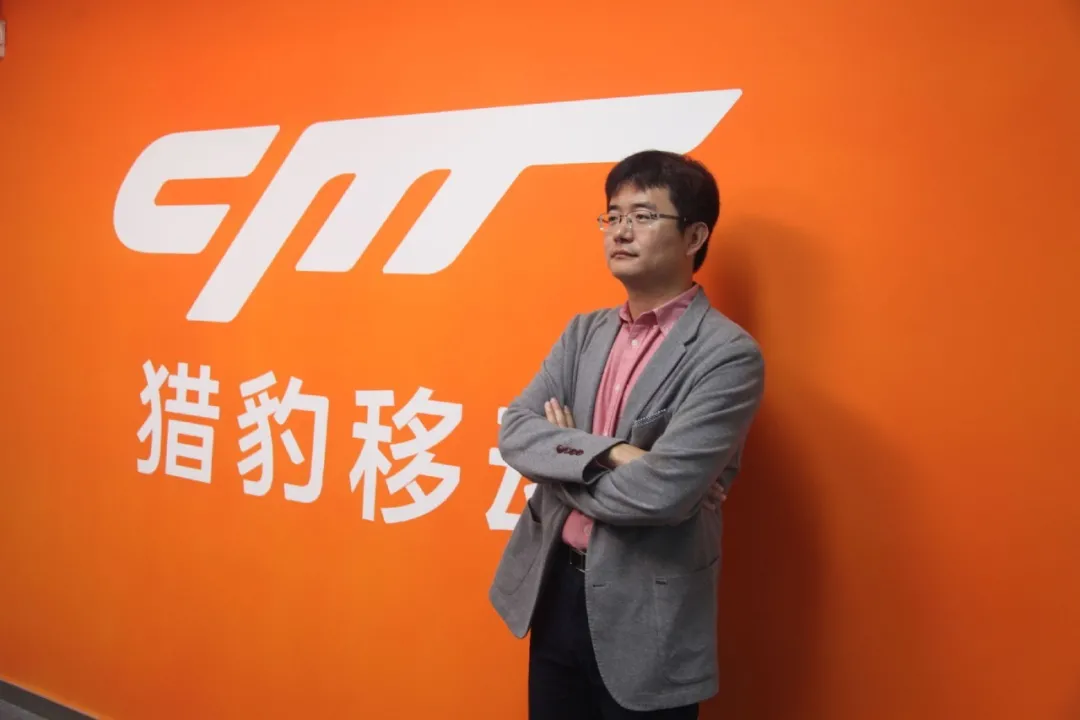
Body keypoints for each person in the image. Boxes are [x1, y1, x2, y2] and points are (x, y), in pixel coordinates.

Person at [488, 149, 766, 719]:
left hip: (649, 610)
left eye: (642, 216)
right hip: (553, 591)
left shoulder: (728, 355)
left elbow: (663, 493)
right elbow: (515, 430)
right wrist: (615, 453)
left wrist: (560, 463)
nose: (620, 231)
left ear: (694, 236)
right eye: (612, 216)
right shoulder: (583, 332)